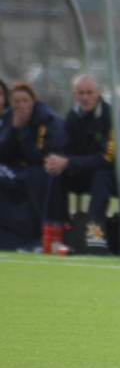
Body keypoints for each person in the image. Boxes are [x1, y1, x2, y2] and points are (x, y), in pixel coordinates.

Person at [45, 75, 120, 253]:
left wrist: (69, 162)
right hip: (102, 172)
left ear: (98, 93)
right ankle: (56, 234)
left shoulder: (112, 118)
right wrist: (58, 162)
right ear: (74, 95)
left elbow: (106, 160)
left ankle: (92, 236)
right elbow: (67, 150)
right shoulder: (73, 117)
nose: (85, 97)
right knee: (58, 175)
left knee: (101, 177)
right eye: (81, 93)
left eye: (90, 92)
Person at [0, 82, 64, 250]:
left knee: (37, 177)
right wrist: (14, 128)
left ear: (33, 101)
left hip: (45, 169)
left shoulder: (45, 119)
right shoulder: (9, 117)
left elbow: (40, 157)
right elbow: (3, 153)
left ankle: (37, 237)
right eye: (16, 101)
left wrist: (23, 130)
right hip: (20, 168)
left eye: (24, 101)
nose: (20, 106)